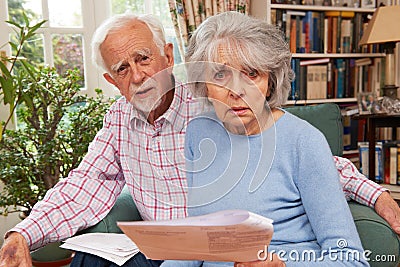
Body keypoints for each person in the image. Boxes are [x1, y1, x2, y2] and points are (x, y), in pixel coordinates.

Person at [0, 12, 398, 267]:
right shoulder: (123, 118)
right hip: (175, 251)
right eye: (122, 68)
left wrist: (377, 194)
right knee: (89, 260)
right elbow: (85, 186)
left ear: (168, 55)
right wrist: (23, 232)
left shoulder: (212, 104)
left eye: (144, 58)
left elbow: (300, 157)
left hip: (225, 253)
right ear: (111, 81)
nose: (138, 76)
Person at [160, 11, 368, 266]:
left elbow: (352, 260)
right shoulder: (198, 132)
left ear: (270, 81)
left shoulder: (305, 142)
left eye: (250, 74)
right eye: (219, 75)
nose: (236, 91)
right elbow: (197, 243)